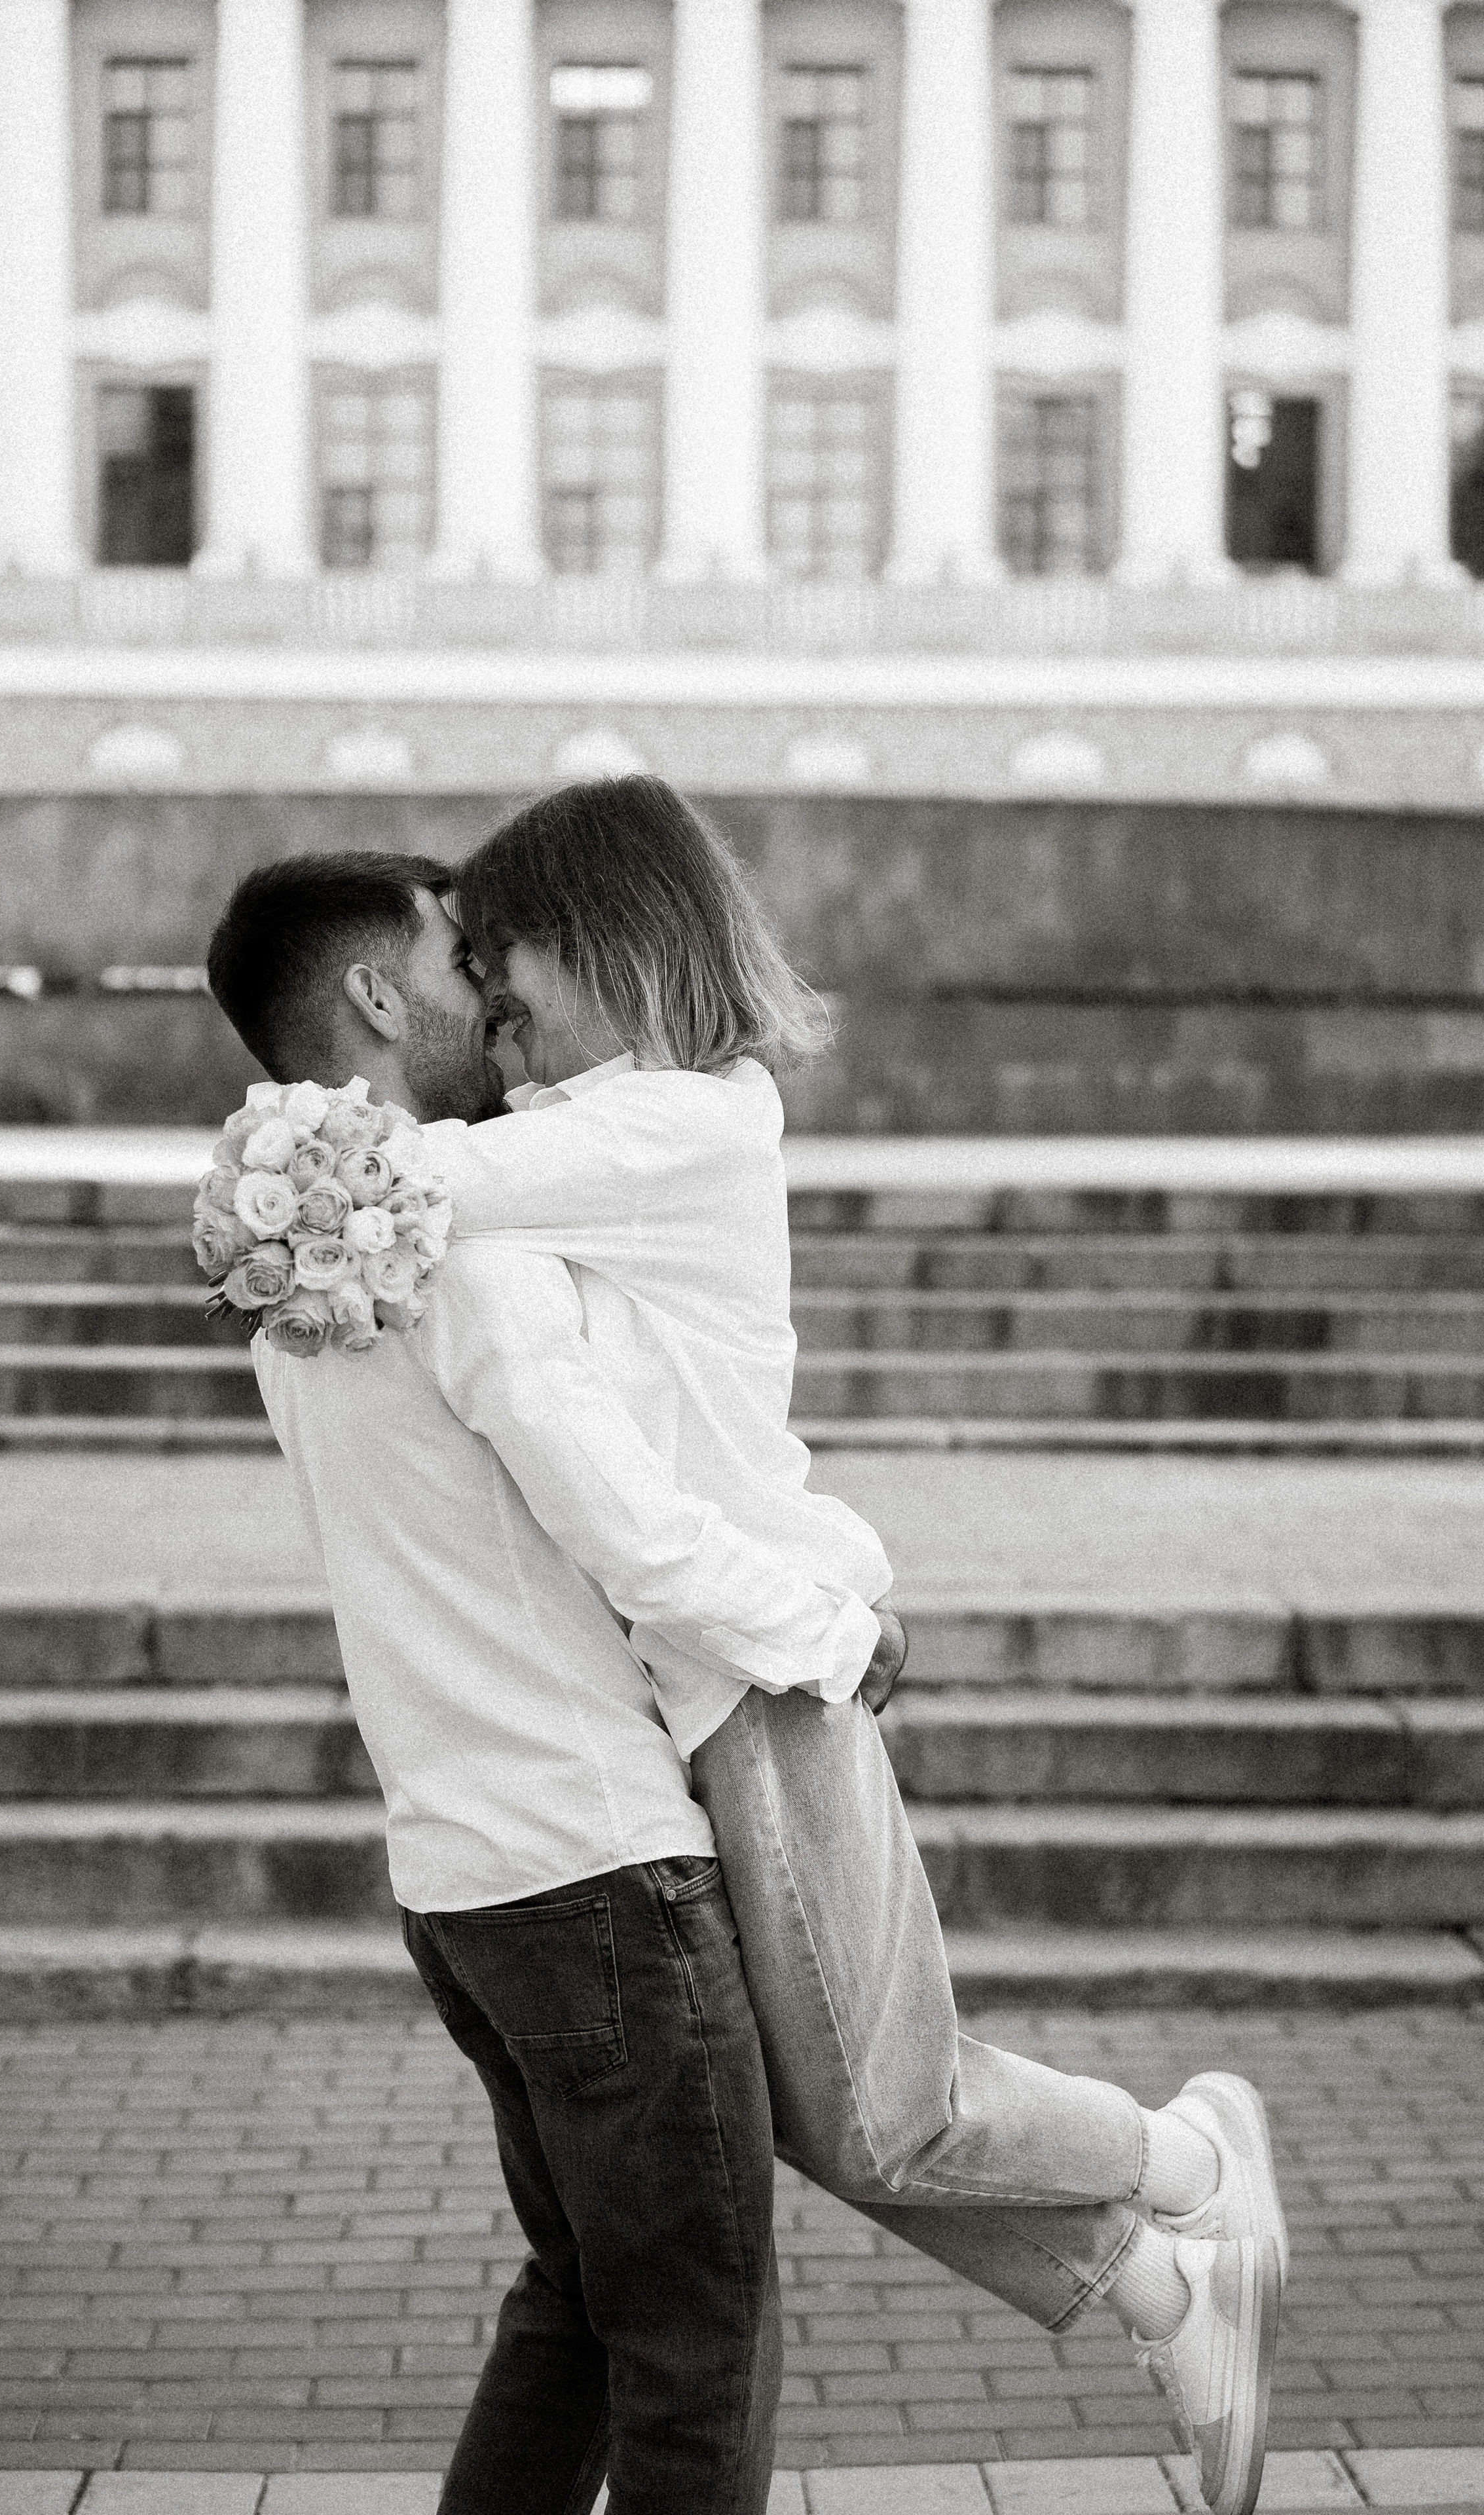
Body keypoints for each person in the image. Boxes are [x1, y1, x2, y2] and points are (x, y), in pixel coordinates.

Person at [206, 815, 1286, 2515]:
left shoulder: (332, 1266)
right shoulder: (444, 1242)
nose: (483, 982)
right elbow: (632, 1530)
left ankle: (1179, 2238)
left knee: (776, 2170)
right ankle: (1179, 2226)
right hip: (613, 1827)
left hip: (504, 1845)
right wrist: (837, 1620)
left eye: (505, 953)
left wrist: (272, 1175)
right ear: (371, 988)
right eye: (452, 952)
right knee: (751, 2251)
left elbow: (492, 1249)